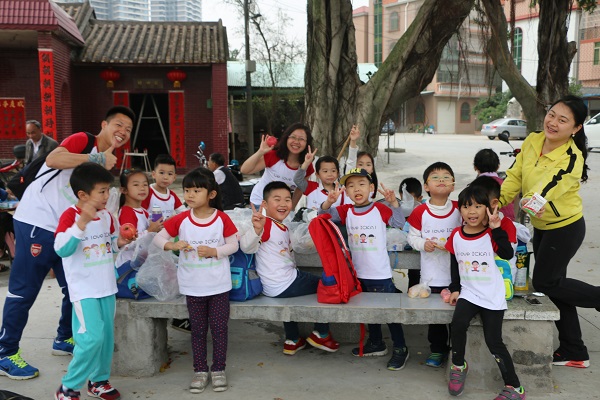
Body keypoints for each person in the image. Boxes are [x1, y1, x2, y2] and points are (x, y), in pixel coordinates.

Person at [0, 105, 134, 380]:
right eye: (118, 125)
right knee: (25, 290)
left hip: (70, 229)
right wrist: (95, 157)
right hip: (38, 222)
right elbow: (53, 159)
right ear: (104, 125)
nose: (123, 131)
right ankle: (5, 352)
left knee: (76, 286)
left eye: (129, 129)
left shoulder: (109, 159)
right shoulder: (84, 141)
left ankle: (64, 338)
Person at [499, 95, 600, 369]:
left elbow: (546, 189)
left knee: (546, 283)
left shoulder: (572, 157)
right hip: (543, 227)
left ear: (576, 128)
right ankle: (574, 350)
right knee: (558, 286)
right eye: (552, 114)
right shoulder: (533, 140)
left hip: (565, 228)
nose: (553, 122)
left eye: (562, 120)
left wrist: (528, 202)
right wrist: (497, 201)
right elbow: (515, 175)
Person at [152, 168, 238, 393]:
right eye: (187, 190)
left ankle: (218, 370)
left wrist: (214, 251)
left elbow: (233, 245)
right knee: (198, 331)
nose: (190, 194)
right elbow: (158, 238)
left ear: (211, 194)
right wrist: (172, 245)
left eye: (196, 190)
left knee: (219, 330)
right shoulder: (181, 219)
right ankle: (200, 371)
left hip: (218, 286)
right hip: (192, 287)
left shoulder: (222, 218)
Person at [53, 162, 129, 400]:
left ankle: (98, 381)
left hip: (107, 287)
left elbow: (110, 243)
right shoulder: (70, 216)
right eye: (102, 191)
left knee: (105, 339)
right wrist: (81, 224)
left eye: (108, 190)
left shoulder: (107, 215)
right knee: (91, 338)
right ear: (83, 195)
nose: (107, 196)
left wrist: (122, 241)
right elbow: (61, 249)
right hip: (84, 290)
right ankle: (68, 386)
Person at [320, 168, 408, 370]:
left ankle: (401, 347)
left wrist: (394, 204)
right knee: (369, 313)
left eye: (361, 184)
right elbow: (323, 215)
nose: (356, 189)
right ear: (346, 191)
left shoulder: (380, 209)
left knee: (390, 315)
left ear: (371, 188)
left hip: (380, 274)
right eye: (350, 186)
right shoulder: (346, 211)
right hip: (358, 275)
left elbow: (399, 223)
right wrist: (328, 202)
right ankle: (376, 343)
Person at [240, 181, 340, 355]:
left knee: (293, 290)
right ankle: (321, 333)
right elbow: (246, 247)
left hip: (275, 285)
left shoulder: (282, 226)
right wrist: (256, 230)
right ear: (264, 204)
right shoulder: (266, 224)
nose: (283, 204)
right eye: (277, 199)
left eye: (287, 199)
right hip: (284, 282)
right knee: (329, 286)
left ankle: (292, 340)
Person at [446, 184, 525, 399]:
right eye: (466, 206)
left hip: (492, 294)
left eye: (477, 206)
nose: (471, 211)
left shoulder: (492, 234)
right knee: (458, 325)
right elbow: (454, 263)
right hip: (469, 292)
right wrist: (455, 289)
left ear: (487, 210)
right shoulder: (456, 234)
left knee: (494, 341)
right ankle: (458, 365)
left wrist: (497, 229)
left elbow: (507, 253)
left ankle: (515, 387)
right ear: (460, 210)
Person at [406, 162, 461, 368]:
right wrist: (423, 244)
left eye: (446, 177)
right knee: (435, 317)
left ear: (453, 185)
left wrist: (454, 244)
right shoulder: (420, 211)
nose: (441, 180)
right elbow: (412, 237)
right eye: (435, 177)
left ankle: (457, 351)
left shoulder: (460, 208)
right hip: (431, 277)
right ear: (426, 186)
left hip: (457, 277)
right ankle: (438, 350)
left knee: (457, 317)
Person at [240, 123, 314, 209]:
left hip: (281, 207)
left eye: (301, 139)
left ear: (307, 143)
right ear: (286, 138)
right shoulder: (274, 156)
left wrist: (291, 208)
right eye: (293, 137)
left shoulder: (307, 165)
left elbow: (299, 189)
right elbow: (244, 170)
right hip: (260, 203)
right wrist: (260, 152)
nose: (296, 142)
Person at [115, 169, 163, 269]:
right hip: (128, 267)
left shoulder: (143, 211)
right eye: (136, 185)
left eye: (145, 185)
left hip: (139, 264)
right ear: (124, 190)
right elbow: (128, 244)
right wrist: (150, 230)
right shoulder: (127, 212)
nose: (142, 188)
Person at [473, 148, 516, 221]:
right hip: (510, 222)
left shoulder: (474, 187)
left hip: (490, 223)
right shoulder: (506, 185)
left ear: (475, 167)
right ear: (498, 166)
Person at [142, 154, 186, 220]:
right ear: (153, 174)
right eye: (161, 173)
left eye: (170, 174)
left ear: (174, 177)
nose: (165, 177)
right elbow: (140, 214)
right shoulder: (147, 193)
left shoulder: (172, 196)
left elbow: (183, 211)